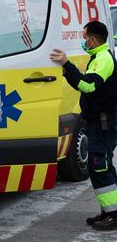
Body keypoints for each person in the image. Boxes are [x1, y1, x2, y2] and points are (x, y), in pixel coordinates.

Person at [50, 21, 117, 230]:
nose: (83, 40)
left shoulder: (104, 59)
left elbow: (88, 85)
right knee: (102, 165)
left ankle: (113, 215)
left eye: (85, 36)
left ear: (93, 39)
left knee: (100, 165)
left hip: (103, 123)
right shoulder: (98, 57)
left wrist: (66, 65)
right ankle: (109, 211)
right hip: (99, 122)